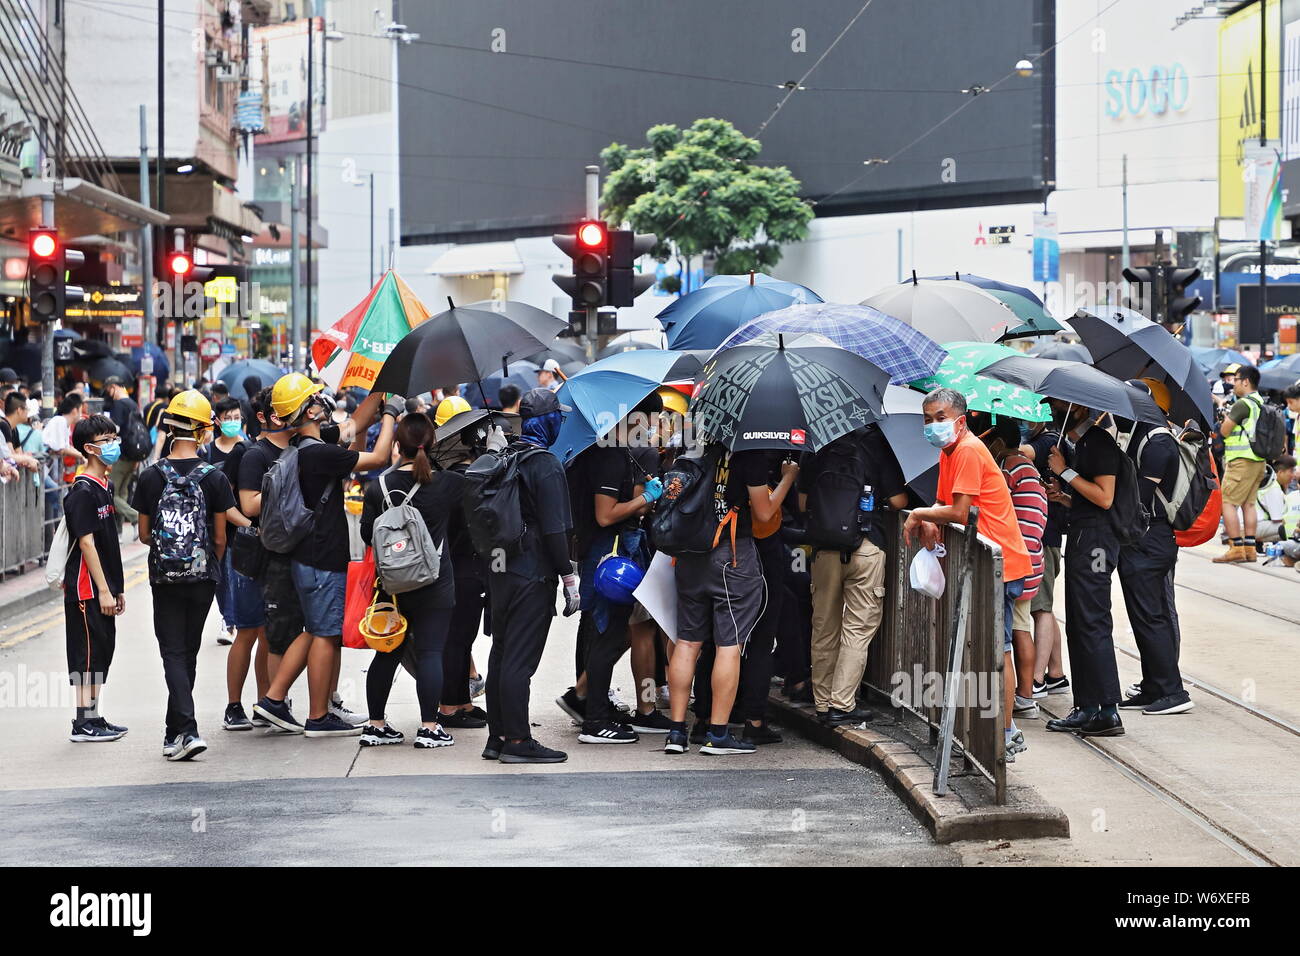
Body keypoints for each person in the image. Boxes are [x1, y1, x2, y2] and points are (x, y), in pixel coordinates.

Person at [253, 375, 399, 738]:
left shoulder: (305, 446)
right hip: (321, 557)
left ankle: (274, 699)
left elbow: (354, 424)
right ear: (311, 410)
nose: (323, 401)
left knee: (318, 630)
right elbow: (380, 457)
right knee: (324, 633)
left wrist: (381, 390)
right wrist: (392, 416)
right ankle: (318, 715)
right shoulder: (320, 454)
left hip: (309, 555)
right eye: (316, 398)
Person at [903, 391, 1035, 759]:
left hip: (1001, 564)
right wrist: (931, 517)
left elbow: (958, 512)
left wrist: (919, 514)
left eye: (939, 417)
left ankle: (1005, 732)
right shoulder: (950, 452)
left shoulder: (968, 450)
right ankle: (995, 731)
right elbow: (948, 505)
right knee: (987, 648)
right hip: (986, 563)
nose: (932, 425)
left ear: (959, 419)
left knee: (998, 649)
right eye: (927, 419)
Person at [663, 442, 796, 757]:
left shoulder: (688, 452)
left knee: (688, 642)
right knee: (729, 644)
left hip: (687, 556)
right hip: (730, 555)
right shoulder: (748, 456)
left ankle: (677, 731)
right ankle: (718, 734)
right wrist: (788, 477)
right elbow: (764, 511)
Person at [132, 390, 238, 761]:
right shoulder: (214, 477)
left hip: (165, 577)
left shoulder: (150, 477)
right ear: (202, 431)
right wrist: (208, 564)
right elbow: (222, 538)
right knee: (186, 652)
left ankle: (184, 730)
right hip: (202, 576)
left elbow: (144, 535)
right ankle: (176, 732)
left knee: (173, 654)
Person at [359, 413, 465, 748]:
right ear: (431, 444)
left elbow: (367, 534)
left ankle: (375, 725)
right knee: (432, 652)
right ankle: (430, 727)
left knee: (387, 652)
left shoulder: (379, 487)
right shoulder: (446, 484)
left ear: (396, 445)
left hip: (391, 584)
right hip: (435, 581)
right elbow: (463, 524)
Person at [482, 388, 576, 764]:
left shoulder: (504, 455)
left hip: (500, 569)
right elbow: (556, 531)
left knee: (503, 653)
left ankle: (498, 736)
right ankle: (518, 742)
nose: (562, 422)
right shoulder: (546, 464)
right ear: (549, 420)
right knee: (520, 660)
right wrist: (568, 576)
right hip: (532, 573)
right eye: (559, 416)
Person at [563, 395, 663, 745]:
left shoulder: (617, 451)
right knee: (608, 634)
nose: (650, 429)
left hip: (608, 552)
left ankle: (591, 706)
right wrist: (645, 499)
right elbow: (606, 514)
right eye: (647, 421)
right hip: (606, 556)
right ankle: (595, 721)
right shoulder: (608, 455)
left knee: (612, 631)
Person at [798, 424, 908, 728]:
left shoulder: (817, 445)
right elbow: (899, 502)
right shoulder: (876, 445)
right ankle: (842, 704)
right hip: (866, 546)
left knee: (823, 629)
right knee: (857, 629)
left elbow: (803, 504)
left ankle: (822, 703)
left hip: (824, 551)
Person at [1042, 400, 1126, 737]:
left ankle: (1107, 709)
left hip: (1096, 546)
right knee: (1078, 622)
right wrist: (1064, 497)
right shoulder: (1083, 443)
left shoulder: (1099, 442)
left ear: (1078, 406)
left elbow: (1105, 498)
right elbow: (1090, 500)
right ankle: (1087, 706)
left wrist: (1065, 471)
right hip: (1083, 538)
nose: (1053, 405)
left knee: (1092, 621)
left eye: (1059, 402)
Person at [1115, 382, 1194, 716]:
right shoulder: (1144, 435)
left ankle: (1172, 690)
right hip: (1142, 540)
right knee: (1142, 616)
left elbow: (1142, 500)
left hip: (1152, 539)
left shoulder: (1158, 440)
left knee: (1153, 616)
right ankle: (1153, 686)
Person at [62, 414, 128, 743]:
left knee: (102, 650)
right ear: (89, 448)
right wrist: (103, 590)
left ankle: (95, 716)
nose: (114, 445)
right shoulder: (82, 491)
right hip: (86, 588)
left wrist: (117, 589)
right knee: (85, 654)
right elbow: (86, 543)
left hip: (105, 587)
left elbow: (108, 543)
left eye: (114, 438)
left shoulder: (107, 485)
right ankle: (82, 722)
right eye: (107, 441)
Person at [235, 387, 296, 728]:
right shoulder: (255, 456)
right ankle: (264, 702)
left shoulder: (301, 447)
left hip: (291, 550)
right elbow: (248, 505)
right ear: (265, 416)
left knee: (278, 633)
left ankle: (269, 701)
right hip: (262, 554)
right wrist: (286, 486)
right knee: (262, 632)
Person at [985, 417, 1046, 732]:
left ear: (997, 443)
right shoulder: (1029, 469)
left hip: (1016, 560)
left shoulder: (1009, 469)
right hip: (1032, 557)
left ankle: (1024, 695)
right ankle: (1026, 694)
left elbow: (991, 506)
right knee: (1022, 624)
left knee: (1017, 629)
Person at [1022, 415, 1070, 698]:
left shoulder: (1050, 440)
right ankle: (1056, 673)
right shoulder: (1043, 438)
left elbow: (1025, 453)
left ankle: (1036, 679)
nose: (1020, 422)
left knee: (1040, 609)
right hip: (1044, 536)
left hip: (1044, 537)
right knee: (1045, 607)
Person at [1216, 365, 1268, 563]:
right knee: (1249, 504)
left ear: (1245, 381)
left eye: (1236, 380)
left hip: (1241, 461)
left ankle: (1235, 547)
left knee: (1228, 502)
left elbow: (1225, 431)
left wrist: (1224, 421)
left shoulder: (1242, 404)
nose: (1234, 384)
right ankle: (1250, 548)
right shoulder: (1261, 402)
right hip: (1258, 461)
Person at [102, 376, 141, 533]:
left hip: (121, 455)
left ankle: (136, 517)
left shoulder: (119, 405)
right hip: (133, 455)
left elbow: (114, 430)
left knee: (111, 494)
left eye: (109, 390)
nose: (109, 394)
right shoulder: (133, 404)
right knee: (122, 493)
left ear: (114, 387)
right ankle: (119, 531)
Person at [1256, 454, 1295, 544]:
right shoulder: (1273, 488)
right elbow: (1278, 518)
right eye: (1291, 471)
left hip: (1250, 525)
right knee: (1287, 528)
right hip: (1250, 527)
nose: (1293, 476)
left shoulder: (1271, 482)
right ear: (1280, 472)